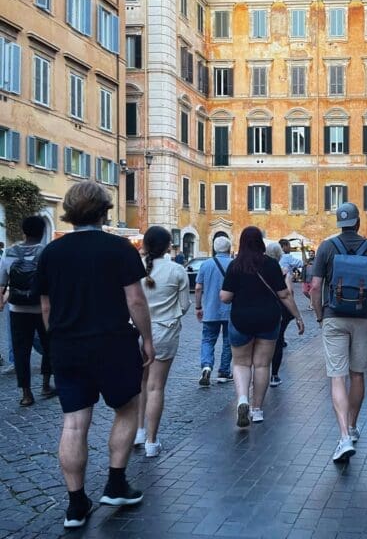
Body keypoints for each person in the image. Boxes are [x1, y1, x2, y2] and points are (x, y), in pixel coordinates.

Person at [37, 181, 154, 529]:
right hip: (112, 342)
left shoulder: (52, 252)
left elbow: (45, 305)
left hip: (67, 345)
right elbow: (135, 299)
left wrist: (55, 338)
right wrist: (147, 339)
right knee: (127, 408)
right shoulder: (118, 248)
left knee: (74, 422)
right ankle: (116, 483)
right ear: (104, 210)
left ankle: (75, 505)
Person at [310, 203, 367, 463]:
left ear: (339, 222)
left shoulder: (326, 247)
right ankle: (353, 426)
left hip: (334, 316)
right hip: (363, 318)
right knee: (358, 375)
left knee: (337, 377)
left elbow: (314, 287)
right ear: (358, 222)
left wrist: (320, 315)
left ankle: (343, 436)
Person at [220, 227, 304, 427]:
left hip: (241, 320)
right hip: (268, 319)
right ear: (261, 242)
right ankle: (257, 410)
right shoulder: (271, 265)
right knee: (262, 365)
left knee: (240, 363)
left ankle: (242, 400)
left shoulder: (235, 266)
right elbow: (284, 294)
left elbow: (225, 297)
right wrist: (298, 316)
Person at [134, 227, 190, 458]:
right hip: (164, 331)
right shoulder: (177, 270)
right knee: (156, 386)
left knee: (139, 385)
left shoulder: (133, 268)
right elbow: (184, 305)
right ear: (168, 245)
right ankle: (151, 441)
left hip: (134, 329)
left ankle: (138, 431)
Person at [0, 215, 53, 406]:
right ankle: (46, 385)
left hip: (17, 309)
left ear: (23, 231)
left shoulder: (10, 252)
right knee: (49, 347)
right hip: (42, 308)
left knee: (21, 351)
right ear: (42, 232)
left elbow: (2, 282)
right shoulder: (47, 252)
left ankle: (26, 394)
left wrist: (1, 302)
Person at [195, 236, 233, 386]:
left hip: (210, 309)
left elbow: (198, 288)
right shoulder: (234, 264)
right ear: (229, 248)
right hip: (230, 310)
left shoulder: (206, 264)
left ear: (214, 248)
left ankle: (206, 366)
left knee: (208, 340)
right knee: (228, 342)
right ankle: (224, 372)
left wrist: (198, 307)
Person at [265, 242, 294, 387]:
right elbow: (288, 292)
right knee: (278, 341)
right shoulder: (282, 271)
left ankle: (259, 373)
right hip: (280, 311)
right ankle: (274, 375)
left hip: (264, 310)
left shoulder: (260, 270)